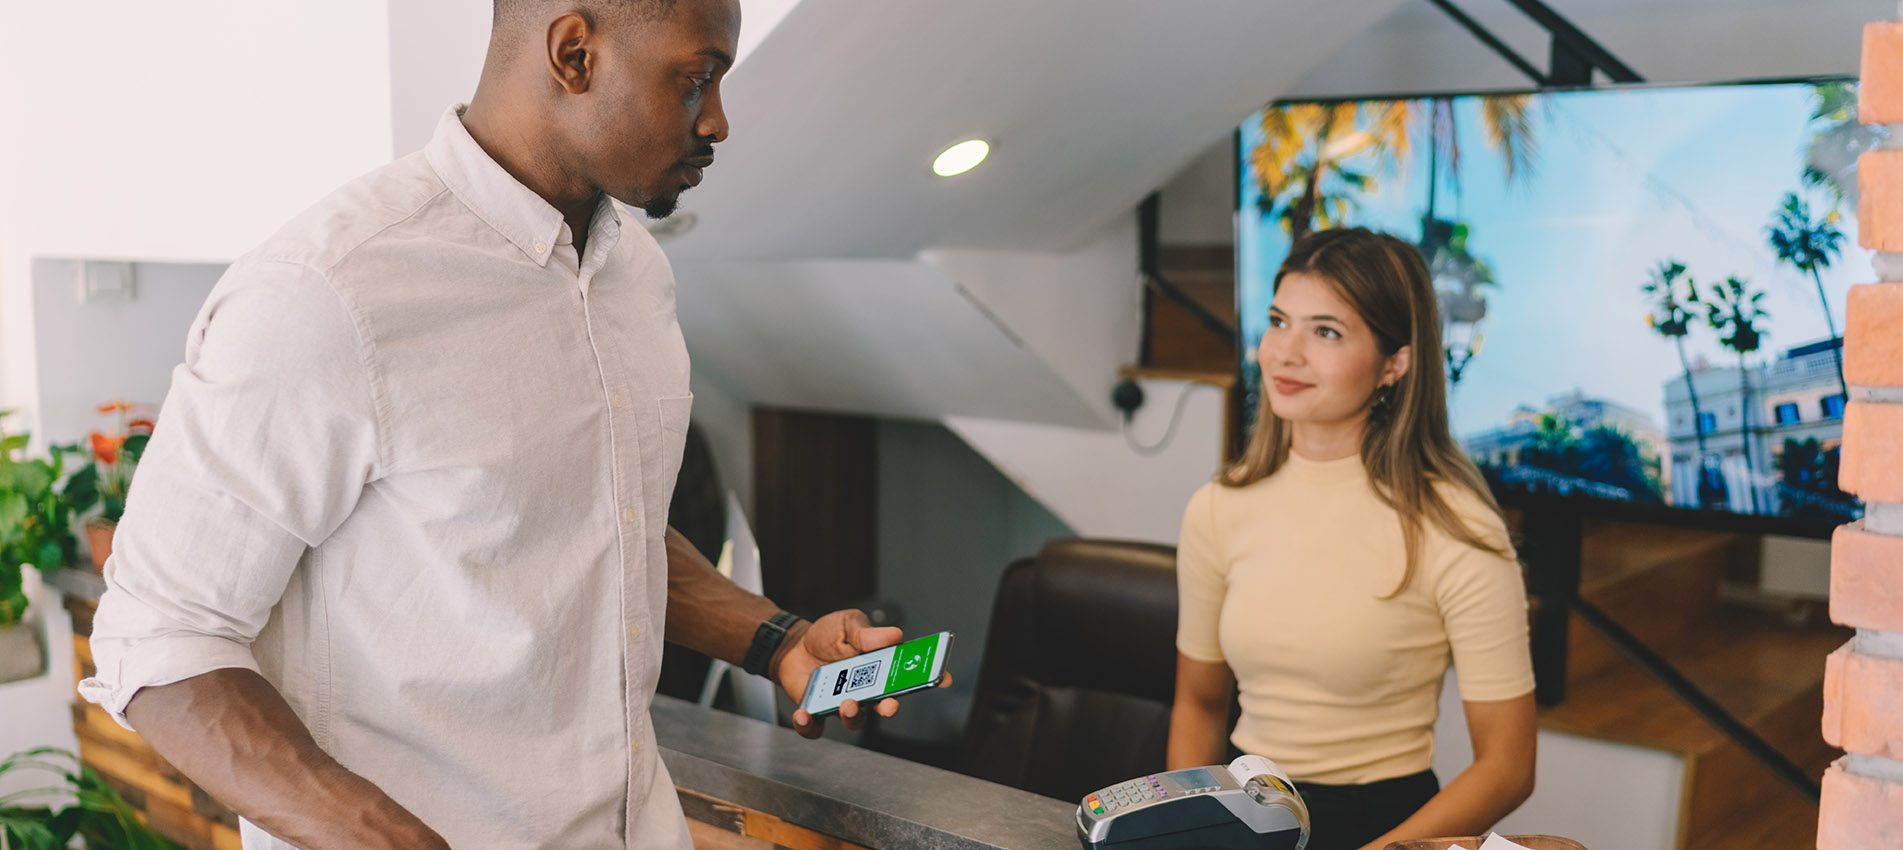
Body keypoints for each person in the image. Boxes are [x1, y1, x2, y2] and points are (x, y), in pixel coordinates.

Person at [77, 2, 921, 849]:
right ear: (573, 53)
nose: (718, 121)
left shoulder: (636, 275)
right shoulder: (326, 293)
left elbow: (599, 518)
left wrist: (776, 642)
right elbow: (159, 638)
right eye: (695, 79)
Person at [1165, 229, 1537, 850]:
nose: (1285, 353)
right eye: (1279, 321)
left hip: (1390, 830)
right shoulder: (1217, 507)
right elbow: (1199, 705)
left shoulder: (1459, 528)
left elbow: (1507, 768)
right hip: (1238, 811)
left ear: (1396, 363)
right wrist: (1183, 826)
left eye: (1326, 332)